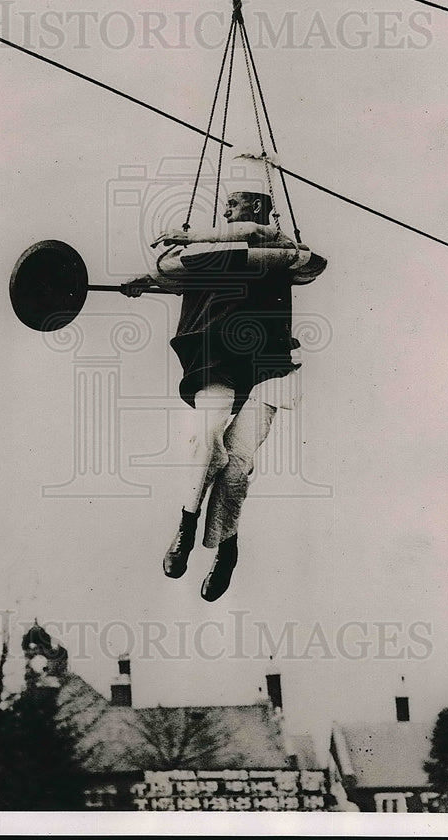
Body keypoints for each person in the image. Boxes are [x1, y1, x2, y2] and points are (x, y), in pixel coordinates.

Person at [123, 190, 323, 601]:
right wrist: (148, 281)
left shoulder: (273, 243)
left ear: (256, 206)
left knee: (238, 466)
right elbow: (171, 272)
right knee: (207, 439)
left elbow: (279, 247)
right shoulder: (209, 257)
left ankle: (226, 552)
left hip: (270, 363)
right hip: (216, 358)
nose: (226, 209)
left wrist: (190, 236)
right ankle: (187, 524)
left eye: (233, 203)